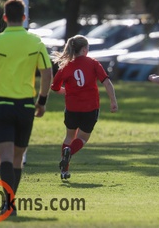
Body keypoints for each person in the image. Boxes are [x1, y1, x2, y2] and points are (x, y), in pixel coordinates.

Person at [0, 0, 53, 216]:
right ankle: (10, 204)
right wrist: (42, 101)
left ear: (5, 17)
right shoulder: (35, 42)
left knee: (5, 157)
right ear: (24, 18)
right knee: (18, 158)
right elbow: (47, 73)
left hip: (2, 106)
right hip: (26, 107)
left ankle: (7, 204)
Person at [51, 35, 118, 180]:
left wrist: (66, 91)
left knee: (69, 136)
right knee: (82, 138)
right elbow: (106, 82)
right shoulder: (93, 63)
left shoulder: (65, 66)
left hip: (71, 108)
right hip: (90, 107)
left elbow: (55, 87)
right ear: (83, 49)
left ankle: (64, 171)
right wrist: (113, 101)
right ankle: (70, 151)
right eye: (87, 48)